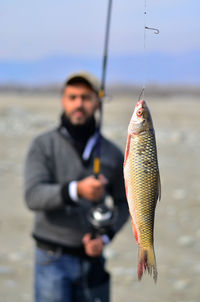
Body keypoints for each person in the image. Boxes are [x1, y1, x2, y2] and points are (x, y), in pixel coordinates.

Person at [24, 72, 129, 302]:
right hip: (52, 260)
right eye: (72, 97)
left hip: (94, 263)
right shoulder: (43, 145)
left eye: (86, 97)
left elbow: (126, 203)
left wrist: (105, 238)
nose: (79, 103)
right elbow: (33, 196)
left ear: (98, 103)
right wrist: (76, 190)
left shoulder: (112, 152)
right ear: (63, 100)